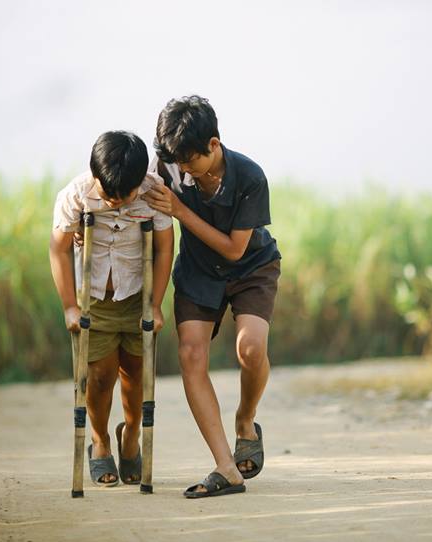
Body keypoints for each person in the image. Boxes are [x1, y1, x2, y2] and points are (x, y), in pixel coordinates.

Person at [144, 96, 281, 498]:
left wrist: (180, 211)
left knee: (251, 349)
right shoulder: (167, 165)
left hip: (250, 267)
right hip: (198, 271)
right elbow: (128, 196)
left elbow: (235, 250)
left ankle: (245, 420)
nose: (183, 169)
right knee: (190, 354)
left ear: (214, 145)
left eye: (190, 161)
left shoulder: (250, 177)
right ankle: (226, 467)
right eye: (177, 162)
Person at [49, 130, 173, 486]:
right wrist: (69, 307)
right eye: (109, 195)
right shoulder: (76, 196)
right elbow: (58, 249)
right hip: (96, 301)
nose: (117, 201)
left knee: (136, 374)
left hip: (136, 297)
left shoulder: (152, 192)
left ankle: (130, 436)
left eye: (126, 195)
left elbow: (165, 248)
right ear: (95, 175)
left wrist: (156, 305)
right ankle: (100, 441)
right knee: (100, 376)